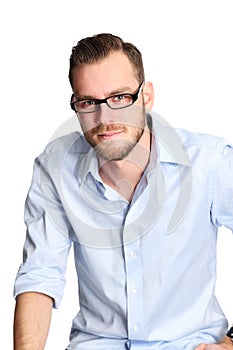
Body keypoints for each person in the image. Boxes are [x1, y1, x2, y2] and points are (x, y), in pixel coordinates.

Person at [13, 33, 233, 350]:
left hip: (188, 344)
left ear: (147, 96)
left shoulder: (209, 162)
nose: (105, 119)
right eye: (89, 102)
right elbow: (40, 273)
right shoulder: (55, 167)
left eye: (119, 98)